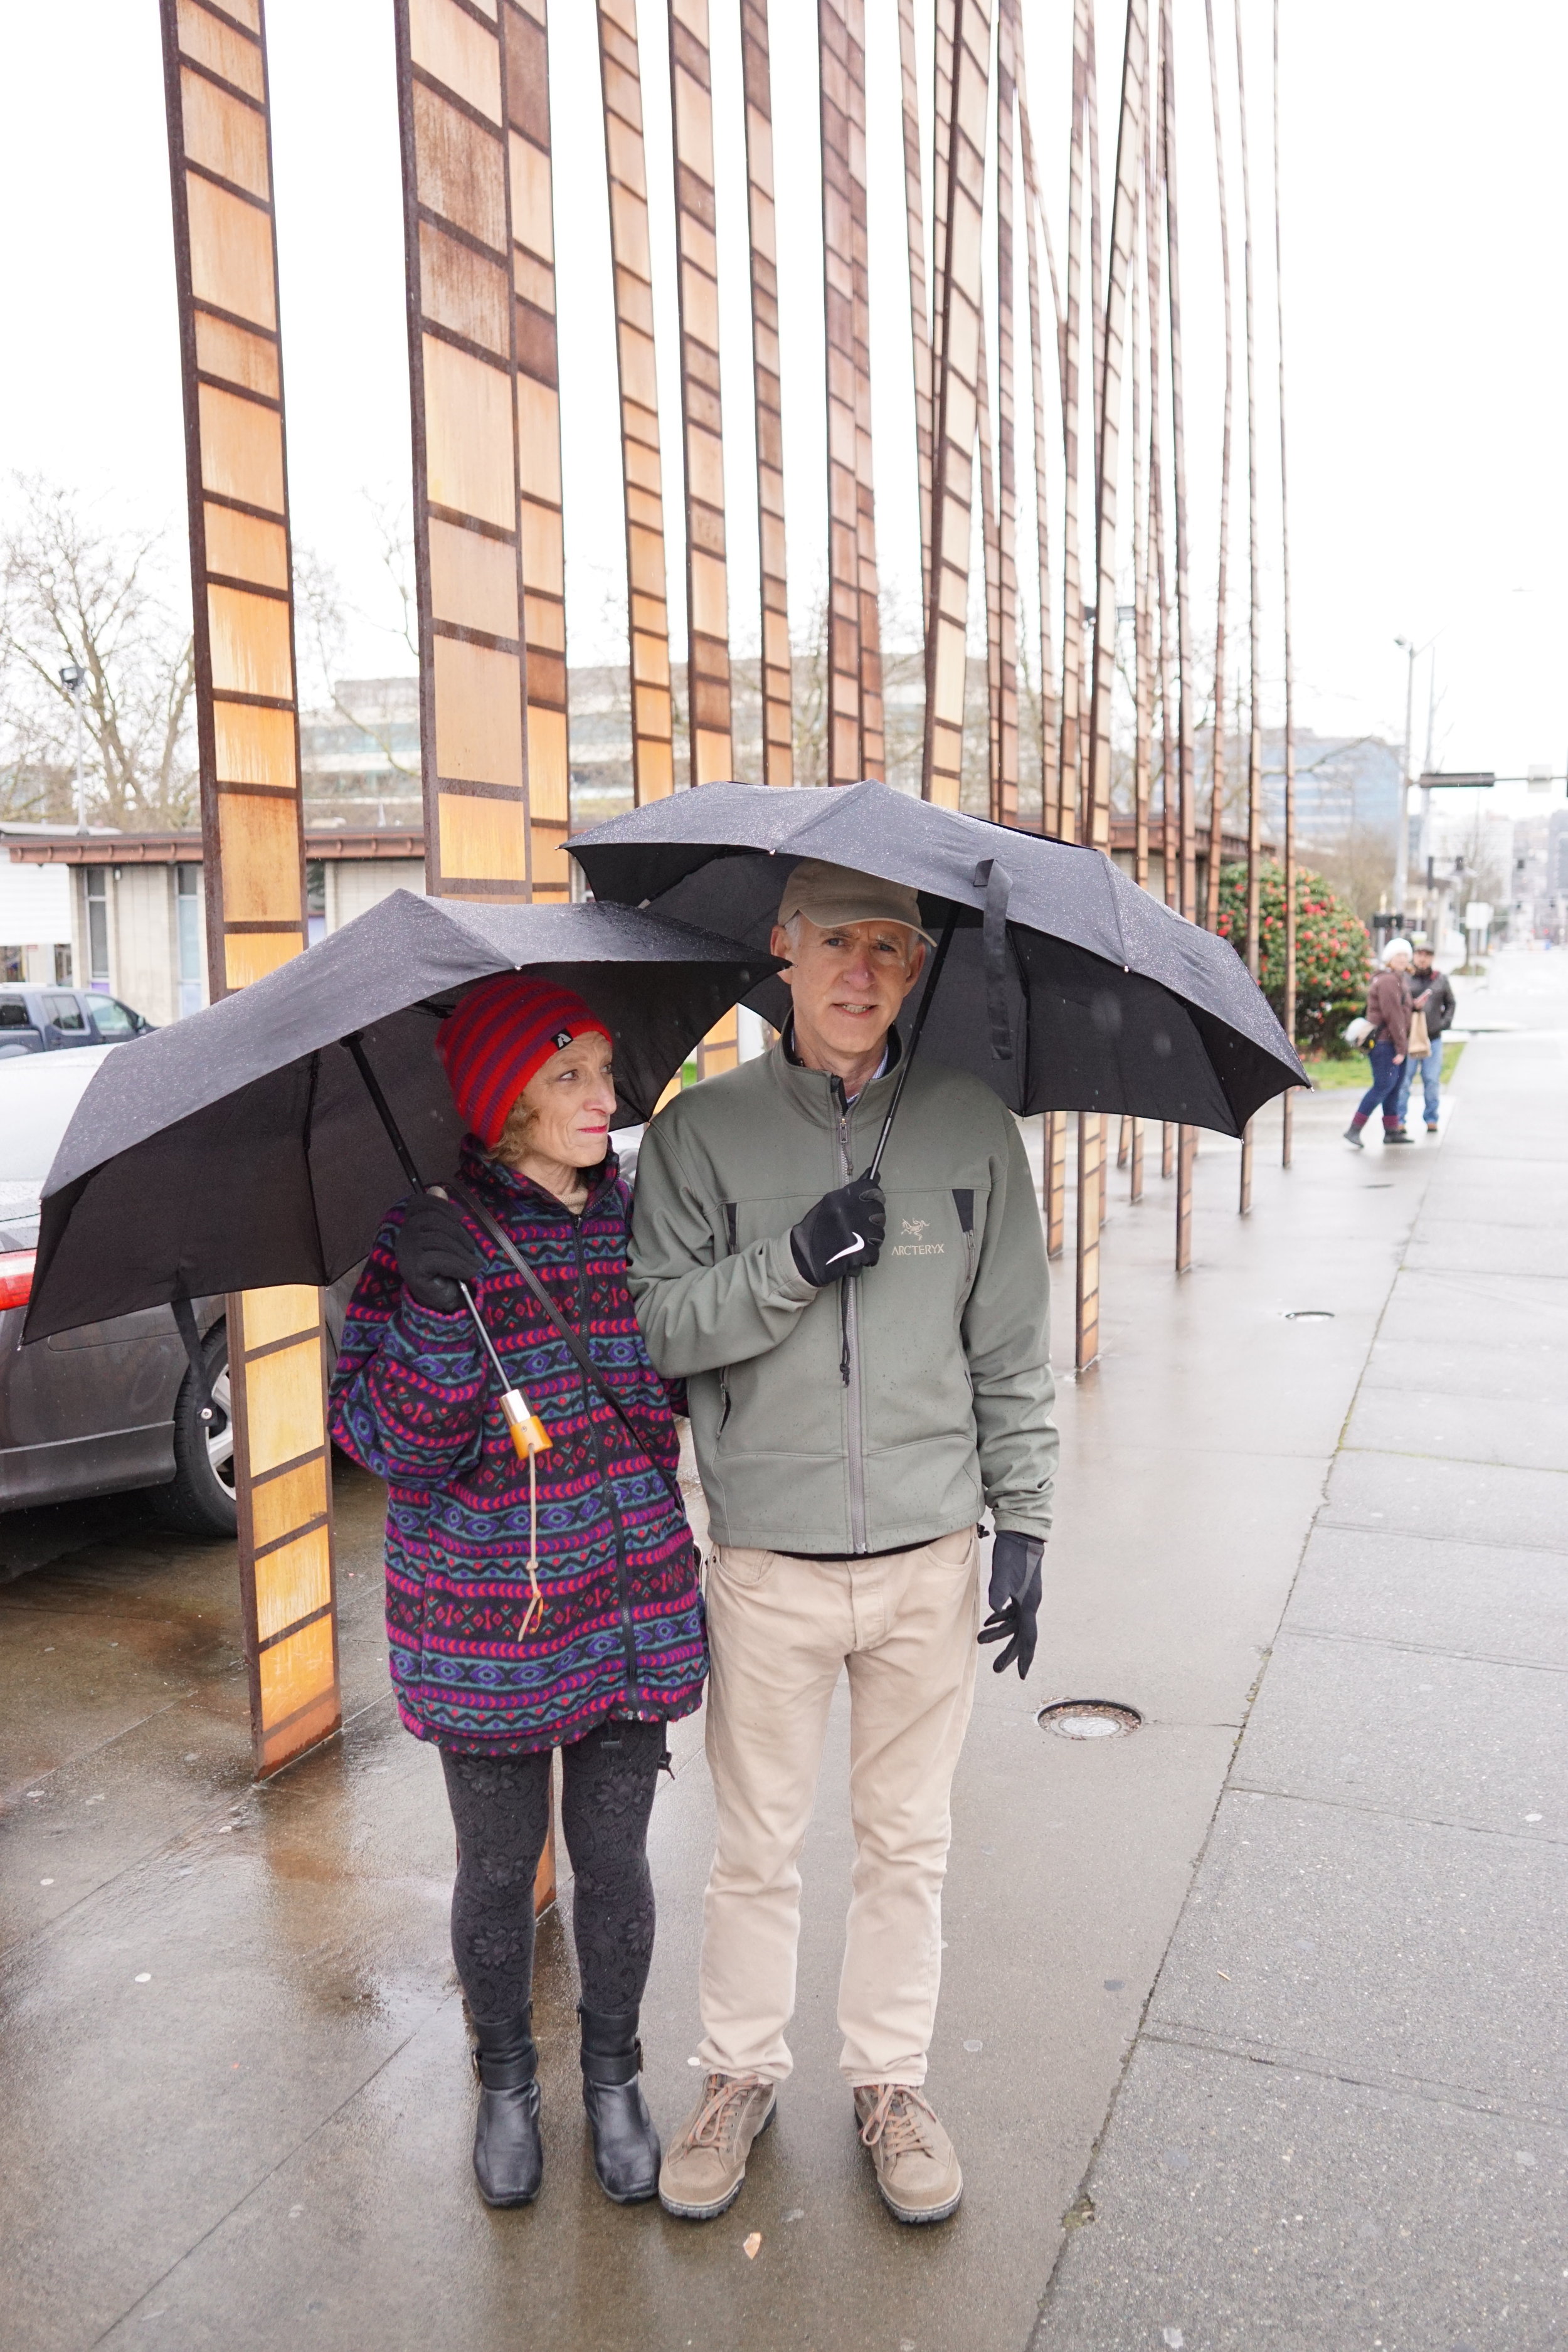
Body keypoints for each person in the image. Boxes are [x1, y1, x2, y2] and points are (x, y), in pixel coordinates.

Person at [628, 859, 1057, 2228]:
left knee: (904, 1845)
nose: (859, 971)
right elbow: (657, 1330)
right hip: (766, 1565)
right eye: (834, 943)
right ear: (782, 950)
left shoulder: (970, 1131)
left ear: (915, 966)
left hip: (931, 1556)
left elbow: (1009, 1352)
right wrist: (791, 1262)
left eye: (888, 945)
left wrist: (1027, 1519)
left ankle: (887, 2084)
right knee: (754, 1845)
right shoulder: (702, 1134)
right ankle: (738, 2076)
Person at [329, 975, 706, 2212]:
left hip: (628, 1604)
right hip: (486, 1625)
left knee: (616, 1863)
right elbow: (389, 1446)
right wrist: (435, 1307)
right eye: (570, 1077)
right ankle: (502, 2080)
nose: (606, 1098)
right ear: (503, 1103)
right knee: (496, 1875)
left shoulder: (640, 1216)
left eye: (605, 1069)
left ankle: (611, 2079)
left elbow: (684, 1384)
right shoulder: (422, 1236)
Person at [1345, 938, 1414, 1148]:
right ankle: (1354, 1129)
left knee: (1394, 1087)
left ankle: (1391, 1132)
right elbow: (1393, 1016)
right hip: (1386, 1043)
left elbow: (1401, 1009)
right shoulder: (1388, 981)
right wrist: (1402, 1049)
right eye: (1398, 955)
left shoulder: (1397, 979)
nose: (1403, 959)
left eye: (1405, 955)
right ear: (1389, 958)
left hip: (1393, 1042)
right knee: (1383, 1085)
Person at [1396, 943, 1455, 1133]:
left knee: (1431, 1079)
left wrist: (1443, 1024)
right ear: (1414, 957)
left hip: (1433, 1038)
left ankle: (1431, 1118)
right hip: (1411, 1038)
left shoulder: (1440, 980)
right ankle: (1399, 1119)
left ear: (1432, 958)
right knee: (1405, 1080)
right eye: (1420, 954)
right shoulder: (1405, 978)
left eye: (1427, 955)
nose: (1423, 958)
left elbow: (1451, 1004)